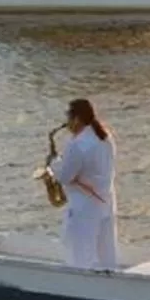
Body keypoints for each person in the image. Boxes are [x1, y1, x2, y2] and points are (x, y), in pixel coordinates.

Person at [52, 100, 118, 271]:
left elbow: (65, 176)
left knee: (79, 254)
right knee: (107, 253)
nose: (66, 123)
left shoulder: (78, 145)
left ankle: (79, 287)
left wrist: (53, 163)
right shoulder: (105, 137)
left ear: (77, 119)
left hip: (84, 207)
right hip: (106, 201)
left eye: (68, 117)